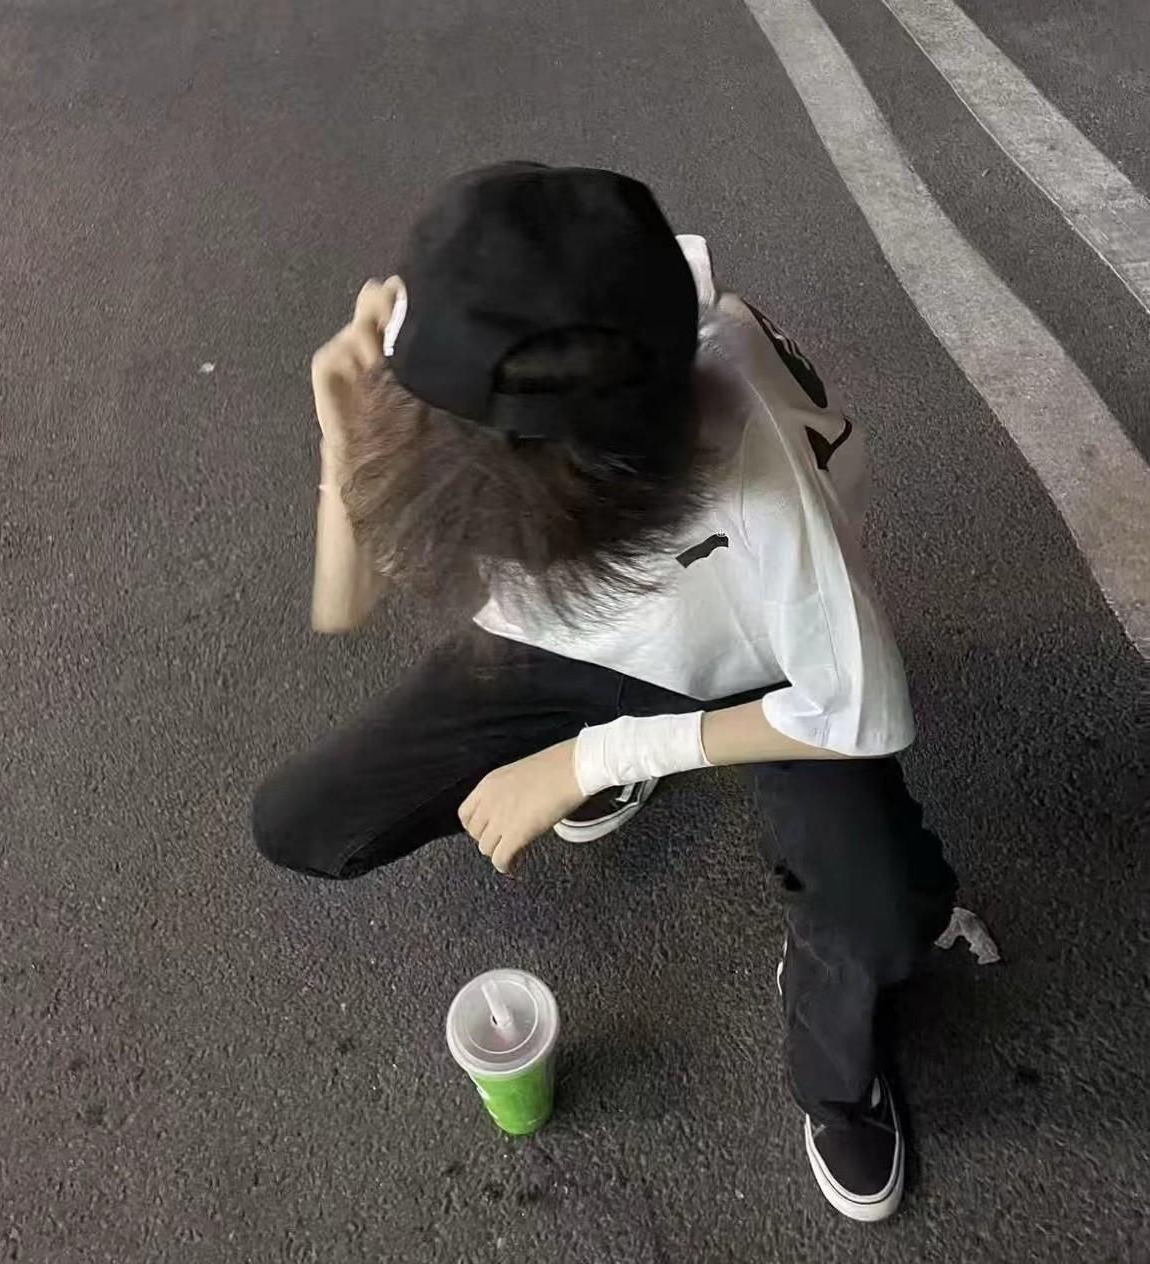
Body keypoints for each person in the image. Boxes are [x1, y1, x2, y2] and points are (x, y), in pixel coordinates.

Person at [252, 163, 957, 1222]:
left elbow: (858, 708)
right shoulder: (435, 367)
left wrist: (590, 758)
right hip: (563, 647)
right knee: (303, 825)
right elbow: (343, 607)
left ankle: (836, 1079)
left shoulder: (748, 462)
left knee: (888, 915)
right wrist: (340, 430)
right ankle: (612, 727)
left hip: (747, 655)